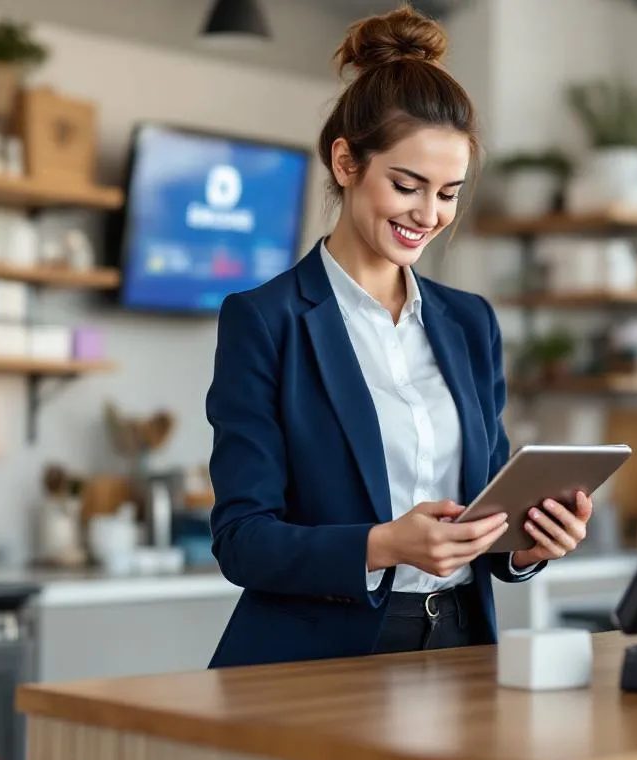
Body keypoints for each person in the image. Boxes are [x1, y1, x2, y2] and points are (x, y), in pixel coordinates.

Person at [204, 4, 595, 669]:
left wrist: (527, 547)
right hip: (323, 663)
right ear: (346, 161)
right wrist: (383, 544)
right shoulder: (267, 319)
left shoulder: (470, 323)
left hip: (461, 649)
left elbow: (487, 515)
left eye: (448, 193)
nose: (429, 214)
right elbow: (241, 540)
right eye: (407, 185)